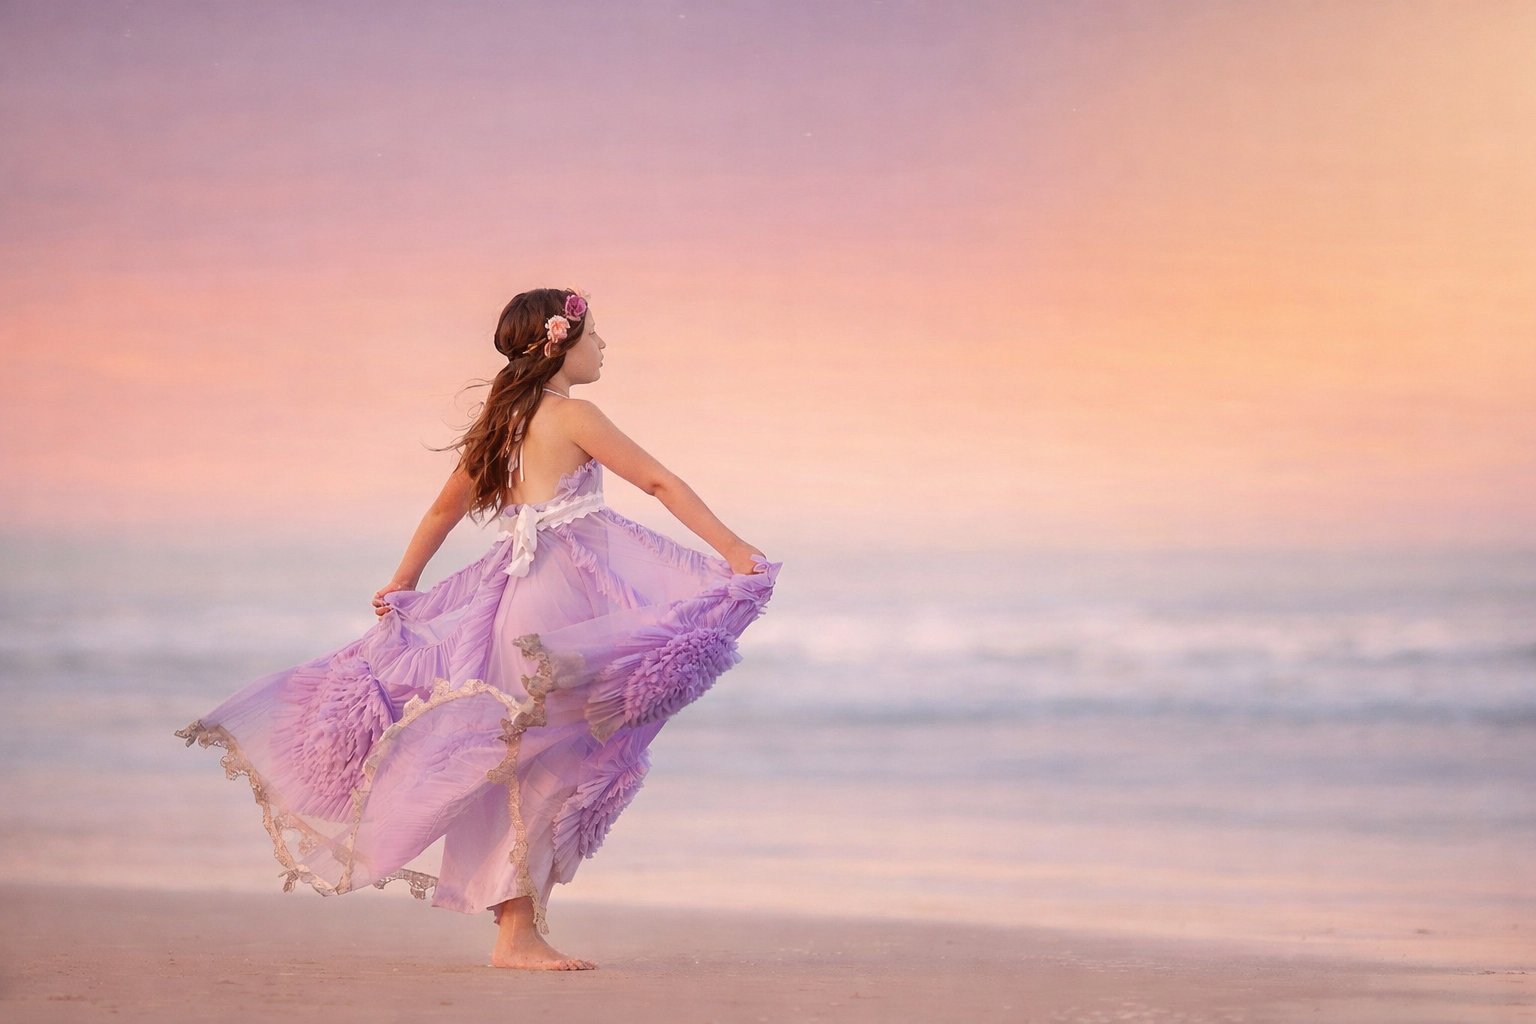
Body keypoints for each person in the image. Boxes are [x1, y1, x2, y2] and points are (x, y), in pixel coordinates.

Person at [175, 287, 780, 971]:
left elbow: (441, 512)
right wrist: (733, 550)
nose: (603, 347)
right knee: (549, 750)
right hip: (560, 603)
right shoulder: (576, 414)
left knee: (524, 751)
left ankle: (518, 927)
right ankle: (516, 933)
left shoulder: (506, 423)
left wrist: (403, 579)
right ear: (560, 342)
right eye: (593, 336)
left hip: (517, 599)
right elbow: (659, 483)